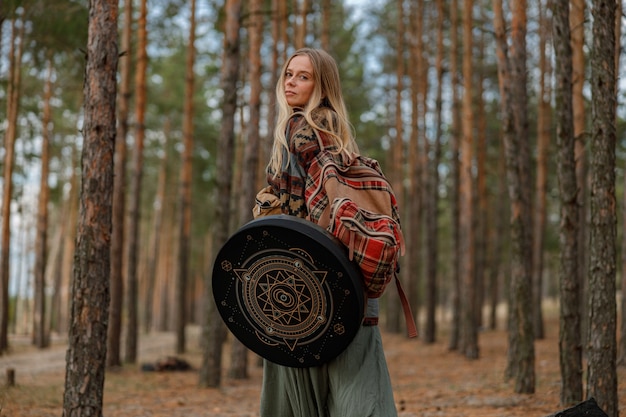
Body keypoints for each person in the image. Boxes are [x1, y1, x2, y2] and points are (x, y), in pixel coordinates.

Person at [259, 47, 398, 417]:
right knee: (356, 397)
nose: (291, 82)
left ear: (322, 86)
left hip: (315, 288)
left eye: (303, 76)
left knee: (308, 400)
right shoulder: (334, 131)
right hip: (347, 284)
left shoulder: (305, 130)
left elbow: (319, 212)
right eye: (289, 74)